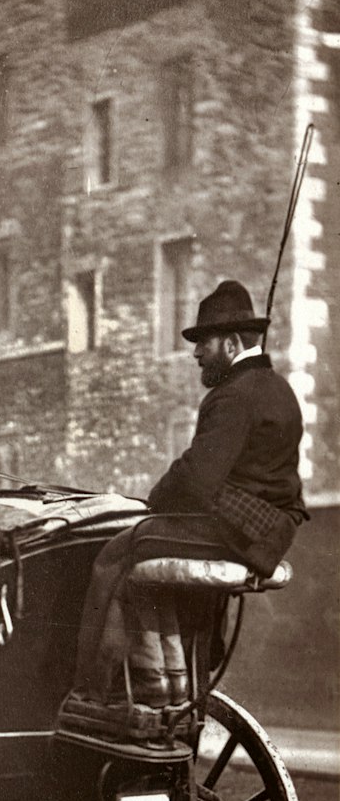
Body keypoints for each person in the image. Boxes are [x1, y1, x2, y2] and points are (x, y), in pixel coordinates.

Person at [70, 279, 307, 709]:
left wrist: (152, 502)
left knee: (115, 554)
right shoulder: (279, 389)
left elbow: (197, 480)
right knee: (146, 552)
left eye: (205, 343)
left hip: (238, 530)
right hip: (268, 530)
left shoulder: (234, 396)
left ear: (232, 344)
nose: (196, 353)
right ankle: (180, 675)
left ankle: (93, 692)